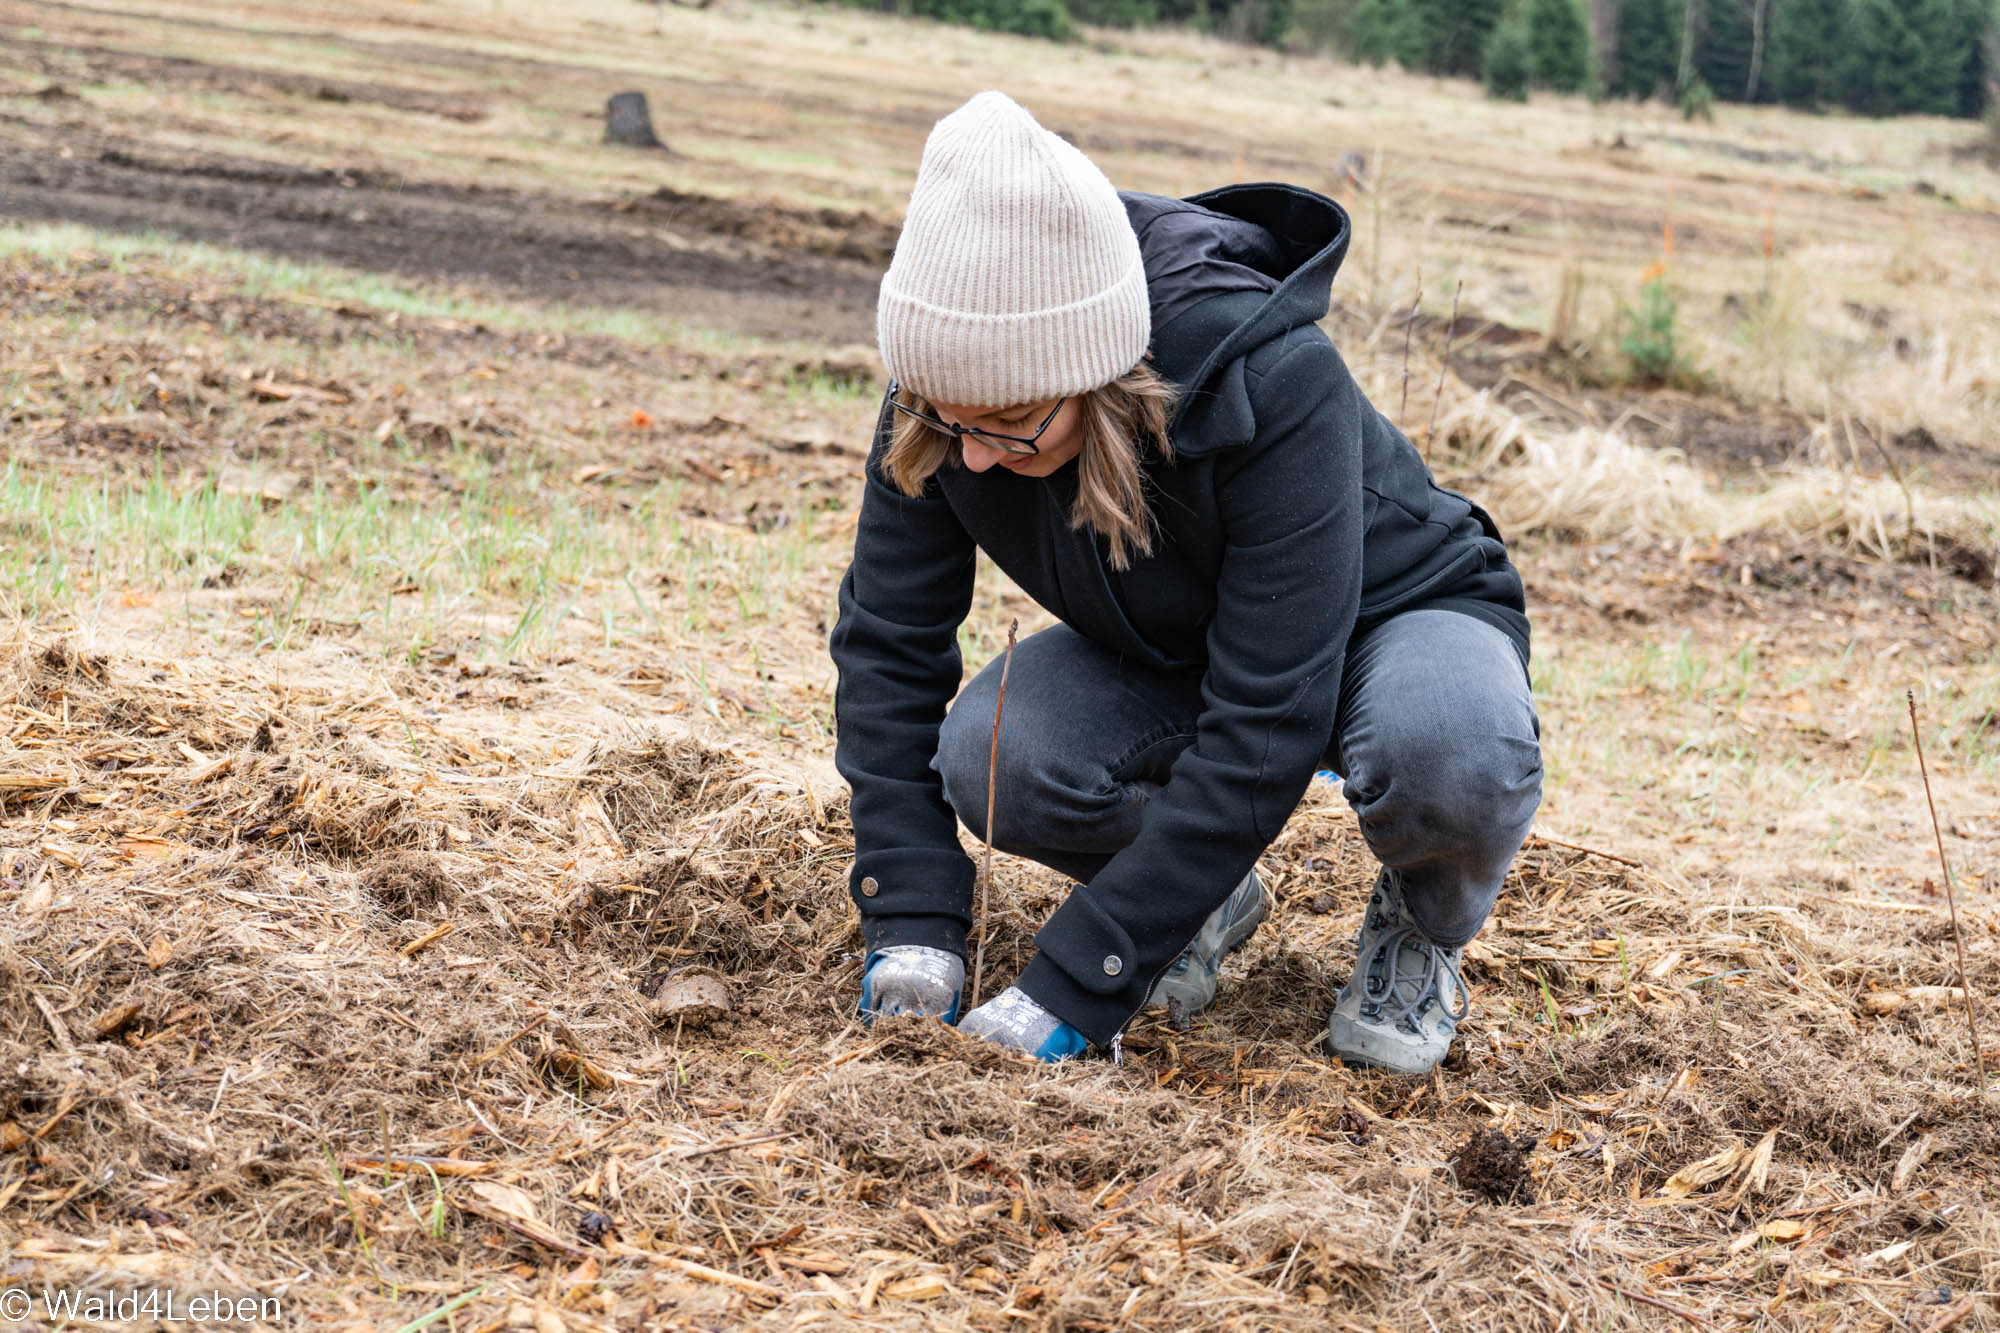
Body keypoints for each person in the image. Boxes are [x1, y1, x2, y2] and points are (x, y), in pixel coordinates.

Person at [829, 91, 1542, 1076]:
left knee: (1451, 756)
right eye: (954, 425)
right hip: (1179, 643)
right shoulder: (950, 396)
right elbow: (887, 647)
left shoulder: (1272, 378)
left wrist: (1074, 984)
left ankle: (1421, 924)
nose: (977, 460)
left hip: (1399, 616)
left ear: (1097, 374)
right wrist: (910, 912)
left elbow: (1265, 724)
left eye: (1011, 426)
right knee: (999, 753)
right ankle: (1193, 897)